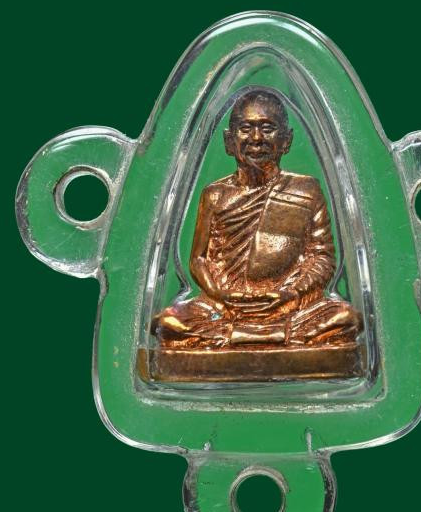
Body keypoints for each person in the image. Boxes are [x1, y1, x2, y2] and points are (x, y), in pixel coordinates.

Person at [152, 89, 362, 349]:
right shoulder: (215, 195)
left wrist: (290, 293)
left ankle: (238, 338)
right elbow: (199, 259)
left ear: (286, 140)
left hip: (289, 307)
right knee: (167, 323)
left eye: (267, 128)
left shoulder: (306, 190)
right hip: (226, 308)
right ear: (229, 141)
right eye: (246, 128)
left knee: (347, 319)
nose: (256, 138)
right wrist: (220, 295)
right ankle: (276, 338)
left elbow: (322, 257)